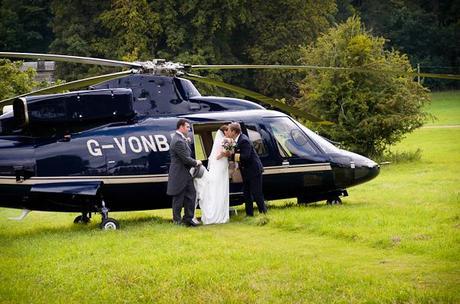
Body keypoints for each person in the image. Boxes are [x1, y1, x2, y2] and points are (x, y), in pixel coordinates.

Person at [167, 119, 202, 226]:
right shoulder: (178, 141)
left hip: (186, 174)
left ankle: (188, 218)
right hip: (179, 174)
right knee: (178, 198)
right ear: (181, 127)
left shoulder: (181, 139)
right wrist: (196, 162)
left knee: (191, 195)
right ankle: (177, 221)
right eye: (187, 127)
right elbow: (185, 159)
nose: (189, 129)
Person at [228, 122, 267, 216]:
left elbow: (245, 156)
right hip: (246, 171)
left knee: (256, 193)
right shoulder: (238, 140)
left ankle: (264, 213)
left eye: (229, 130)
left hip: (254, 170)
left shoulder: (243, 140)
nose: (228, 132)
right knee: (247, 193)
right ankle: (249, 214)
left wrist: (231, 156)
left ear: (234, 131)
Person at [194, 125, 231, 224]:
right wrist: (227, 153)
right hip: (221, 166)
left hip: (219, 166)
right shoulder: (225, 140)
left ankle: (216, 213)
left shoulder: (221, 140)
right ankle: (218, 214)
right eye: (228, 130)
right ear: (225, 131)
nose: (229, 132)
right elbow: (220, 155)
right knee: (220, 187)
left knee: (218, 187)